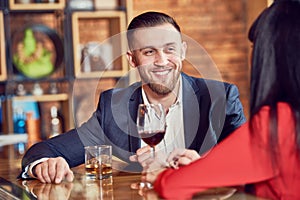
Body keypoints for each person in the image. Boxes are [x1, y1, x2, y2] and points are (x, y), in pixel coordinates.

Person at [19, 11, 246, 184]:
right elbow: (43, 152)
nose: (162, 60)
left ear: (183, 51)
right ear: (132, 60)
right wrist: (45, 165)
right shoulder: (114, 107)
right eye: (149, 52)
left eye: (170, 49)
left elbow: (250, 162)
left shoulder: (220, 98)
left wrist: (205, 168)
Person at [142, 1, 300, 199]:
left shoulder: (278, 122)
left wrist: (162, 175)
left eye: (254, 46)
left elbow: (172, 187)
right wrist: (201, 166)